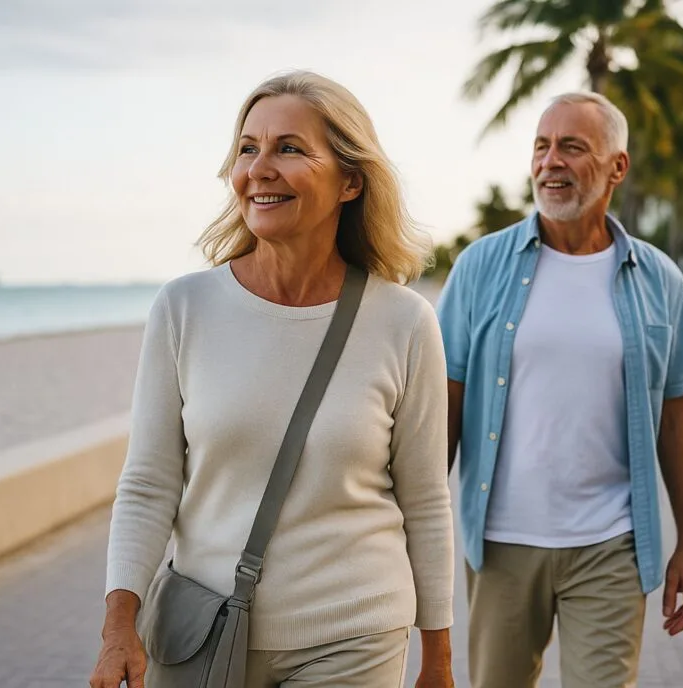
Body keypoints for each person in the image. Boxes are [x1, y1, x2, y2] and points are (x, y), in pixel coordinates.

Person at [89, 70, 455, 688]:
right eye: (248, 147)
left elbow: (425, 501)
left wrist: (438, 661)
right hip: (200, 630)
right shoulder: (184, 309)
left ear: (350, 181)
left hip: (356, 635)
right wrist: (118, 625)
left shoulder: (405, 322)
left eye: (289, 148)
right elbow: (149, 483)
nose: (260, 167)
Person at [436, 91, 683, 688]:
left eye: (571, 147)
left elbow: (677, 416)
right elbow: (446, 408)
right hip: (501, 545)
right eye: (541, 146)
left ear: (618, 166)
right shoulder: (480, 267)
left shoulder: (658, 279)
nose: (549, 162)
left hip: (611, 546)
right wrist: (413, 533)